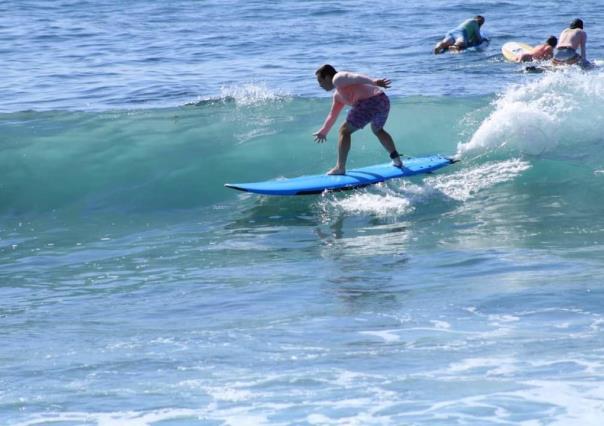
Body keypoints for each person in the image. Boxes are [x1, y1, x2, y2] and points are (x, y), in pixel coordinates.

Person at [313, 64, 402, 175]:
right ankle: (397, 160)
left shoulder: (337, 78)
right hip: (382, 100)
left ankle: (340, 167)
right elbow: (332, 115)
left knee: (344, 131)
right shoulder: (337, 96)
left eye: (320, 81)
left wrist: (373, 81)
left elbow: (355, 77)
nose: (319, 85)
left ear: (327, 77)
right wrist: (323, 131)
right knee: (377, 130)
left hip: (370, 102)